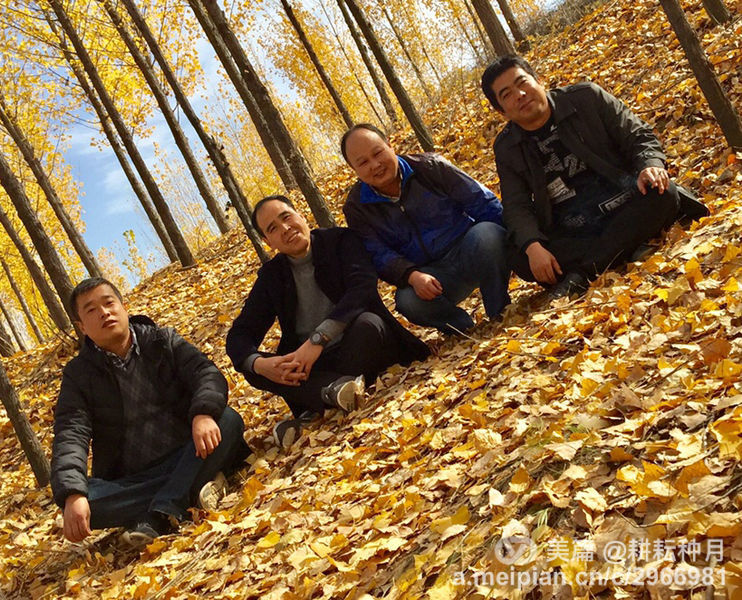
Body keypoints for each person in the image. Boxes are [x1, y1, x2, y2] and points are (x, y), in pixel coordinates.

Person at [50, 278, 249, 545]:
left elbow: (206, 373)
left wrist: (202, 414)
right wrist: (73, 494)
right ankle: (188, 491)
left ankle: (160, 512)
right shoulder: (79, 374)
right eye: (91, 310)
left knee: (228, 420)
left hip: (191, 450)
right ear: (82, 327)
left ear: (123, 307)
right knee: (83, 502)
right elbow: (70, 433)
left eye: (109, 303)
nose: (104, 313)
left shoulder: (162, 341)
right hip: (133, 478)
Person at [226, 195, 429, 448]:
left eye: (286, 217)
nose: (285, 228)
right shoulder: (271, 276)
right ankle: (335, 390)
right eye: (273, 229)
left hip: (358, 343)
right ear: (268, 242)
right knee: (252, 366)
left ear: (300, 215)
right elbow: (240, 334)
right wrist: (259, 364)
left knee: (369, 323)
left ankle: (322, 399)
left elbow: (362, 290)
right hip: (311, 366)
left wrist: (318, 339)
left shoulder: (341, 241)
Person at [482, 55, 688, 299]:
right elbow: (516, 205)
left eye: (522, 82)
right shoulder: (507, 147)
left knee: (663, 192)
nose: (520, 95)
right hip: (573, 228)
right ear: (501, 111)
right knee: (519, 254)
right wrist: (532, 245)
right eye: (507, 94)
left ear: (539, 80)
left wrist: (649, 165)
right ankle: (628, 247)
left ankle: (583, 272)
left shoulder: (586, 97)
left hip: (624, 199)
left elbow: (638, 135)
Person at [341, 124, 510, 334]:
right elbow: (378, 254)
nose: (375, 165)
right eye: (363, 162)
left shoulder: (430, 167)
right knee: (408, 300)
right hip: (431, 276)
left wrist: (526, 244)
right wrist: (412, 275)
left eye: (378, 153)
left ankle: (500, 313)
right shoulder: (357, 208)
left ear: (390, 145)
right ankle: (465, 331)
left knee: (489, 235)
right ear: (354, 170)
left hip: (469, 250)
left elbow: (482, 201)